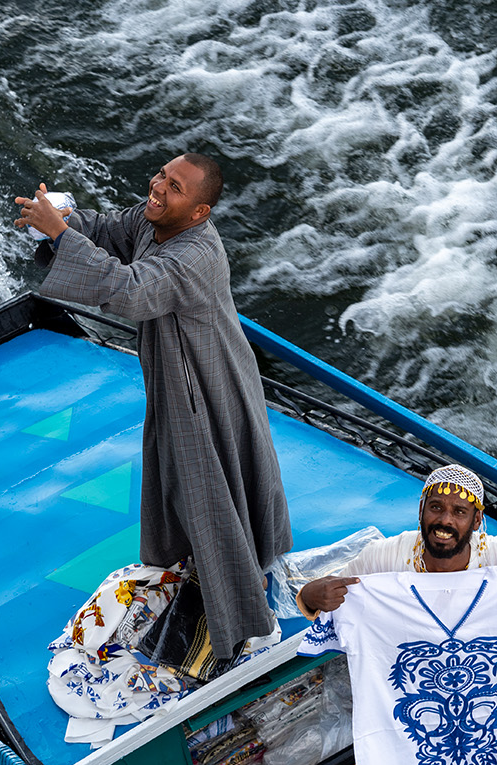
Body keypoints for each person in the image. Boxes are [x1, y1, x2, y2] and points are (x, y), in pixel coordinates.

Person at [15, 154, 293, 664]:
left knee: (207, 494)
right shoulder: (151, 219)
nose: (160, 187)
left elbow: (131, 291)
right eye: (163, 175)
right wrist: (61, 220)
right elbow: (105, 230)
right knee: (186, 481)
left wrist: (60, 237)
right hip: (175, 382)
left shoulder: (196, 255)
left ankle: (236, 629)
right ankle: (193, 562)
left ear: (199, 212)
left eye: (176, 187)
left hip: (207, 389)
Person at [295, 463, 497, 619]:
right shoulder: (383, 557)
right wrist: (310, 596)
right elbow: (327, 602)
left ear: (476, 522)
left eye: (459, 512)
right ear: (421, 510)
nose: (445, 520)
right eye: (436, 508)